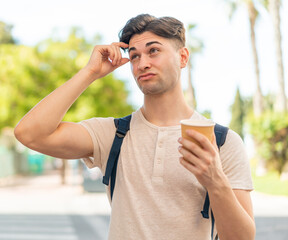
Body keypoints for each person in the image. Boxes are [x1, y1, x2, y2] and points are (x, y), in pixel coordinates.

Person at [14, 14, 255, 240]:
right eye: (135, 55)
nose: (142, 63)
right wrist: (90, 73)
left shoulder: (221, 141)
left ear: (182, 57)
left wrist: (215, 181)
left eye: (154, 51)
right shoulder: (113, 135)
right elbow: (29, 134)